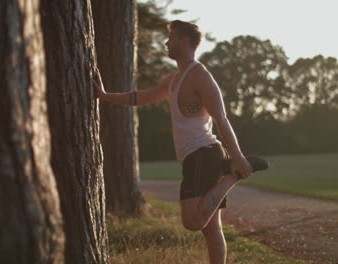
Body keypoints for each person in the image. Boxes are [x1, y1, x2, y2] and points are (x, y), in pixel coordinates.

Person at [93, 20, 257, 264]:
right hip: (197, 156)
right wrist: (105, 95)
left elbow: (221, 119)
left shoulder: (201, 76)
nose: (166, 43)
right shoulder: (174, 79)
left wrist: (239, 157)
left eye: (171, 38)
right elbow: (140, 98)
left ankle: (232, 176)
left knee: (192, 222)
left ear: (185, 40)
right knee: (212, 231)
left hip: (203, 153)